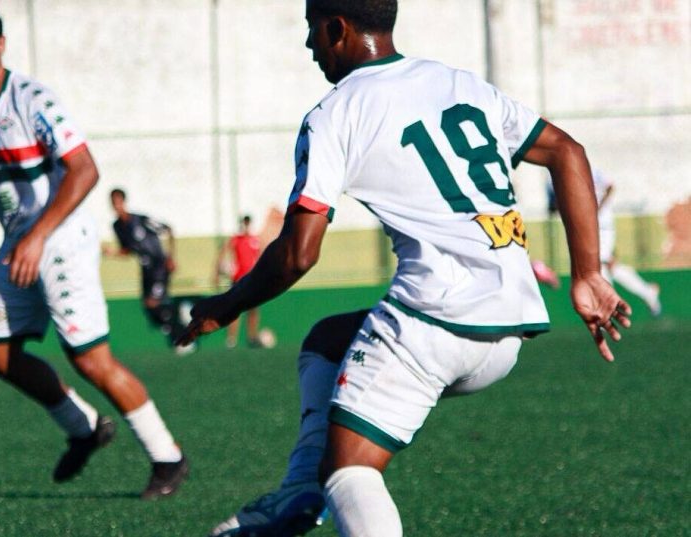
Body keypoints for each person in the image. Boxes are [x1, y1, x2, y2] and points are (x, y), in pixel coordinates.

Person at [178, 1, 632, 535]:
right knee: (327, 340)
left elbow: (299, 253)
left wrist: (225, 305)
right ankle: (298, 488)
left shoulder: (334, 112)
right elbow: (568, 152)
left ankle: (310, 486)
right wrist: (587, 272)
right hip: (510, 328)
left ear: (337, 28)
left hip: (433, 320)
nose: (309, 47)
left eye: (311, 32)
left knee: (349, 471)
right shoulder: (460, 83)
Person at [0, 0, 187, 499]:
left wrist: (40, 235)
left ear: (0, 45)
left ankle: (167, 457)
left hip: (60, 240)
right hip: (19, 242)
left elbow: (85, 168)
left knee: (90, 359)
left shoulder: (33, 100)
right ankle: (84, 428)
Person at [107, 188, 194, 352]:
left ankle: (182, 339)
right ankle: (181, 314)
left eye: (118, 201)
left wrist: (170, 257)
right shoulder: (118, 226)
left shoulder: (141, 220)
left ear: (124, 202)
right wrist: (112, 253)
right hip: (145, 270)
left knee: (153, 302)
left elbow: (168, 229)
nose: (116, 206)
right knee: (150, 308)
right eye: (113, 203)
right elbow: (127, 250)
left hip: (159, 266)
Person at [592, 169, 661, 316]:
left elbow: (610, 187)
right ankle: (647, 292)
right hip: (591, 226)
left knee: (601, 264)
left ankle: (607, 310)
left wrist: (598, 209)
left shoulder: (594, 171)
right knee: (608, 265)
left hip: (602, 226)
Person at [214, 215, 268, 348]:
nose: (246, 226)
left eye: (248, 223)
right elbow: (223, 252)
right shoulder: (236, 239)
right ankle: (231, 339)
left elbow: (261, 258)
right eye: (244, 223)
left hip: (253, 279)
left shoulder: (255, 240)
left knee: (253, 310)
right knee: (235, 310)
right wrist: (217, 271)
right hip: (238, 279)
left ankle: (252, 337)